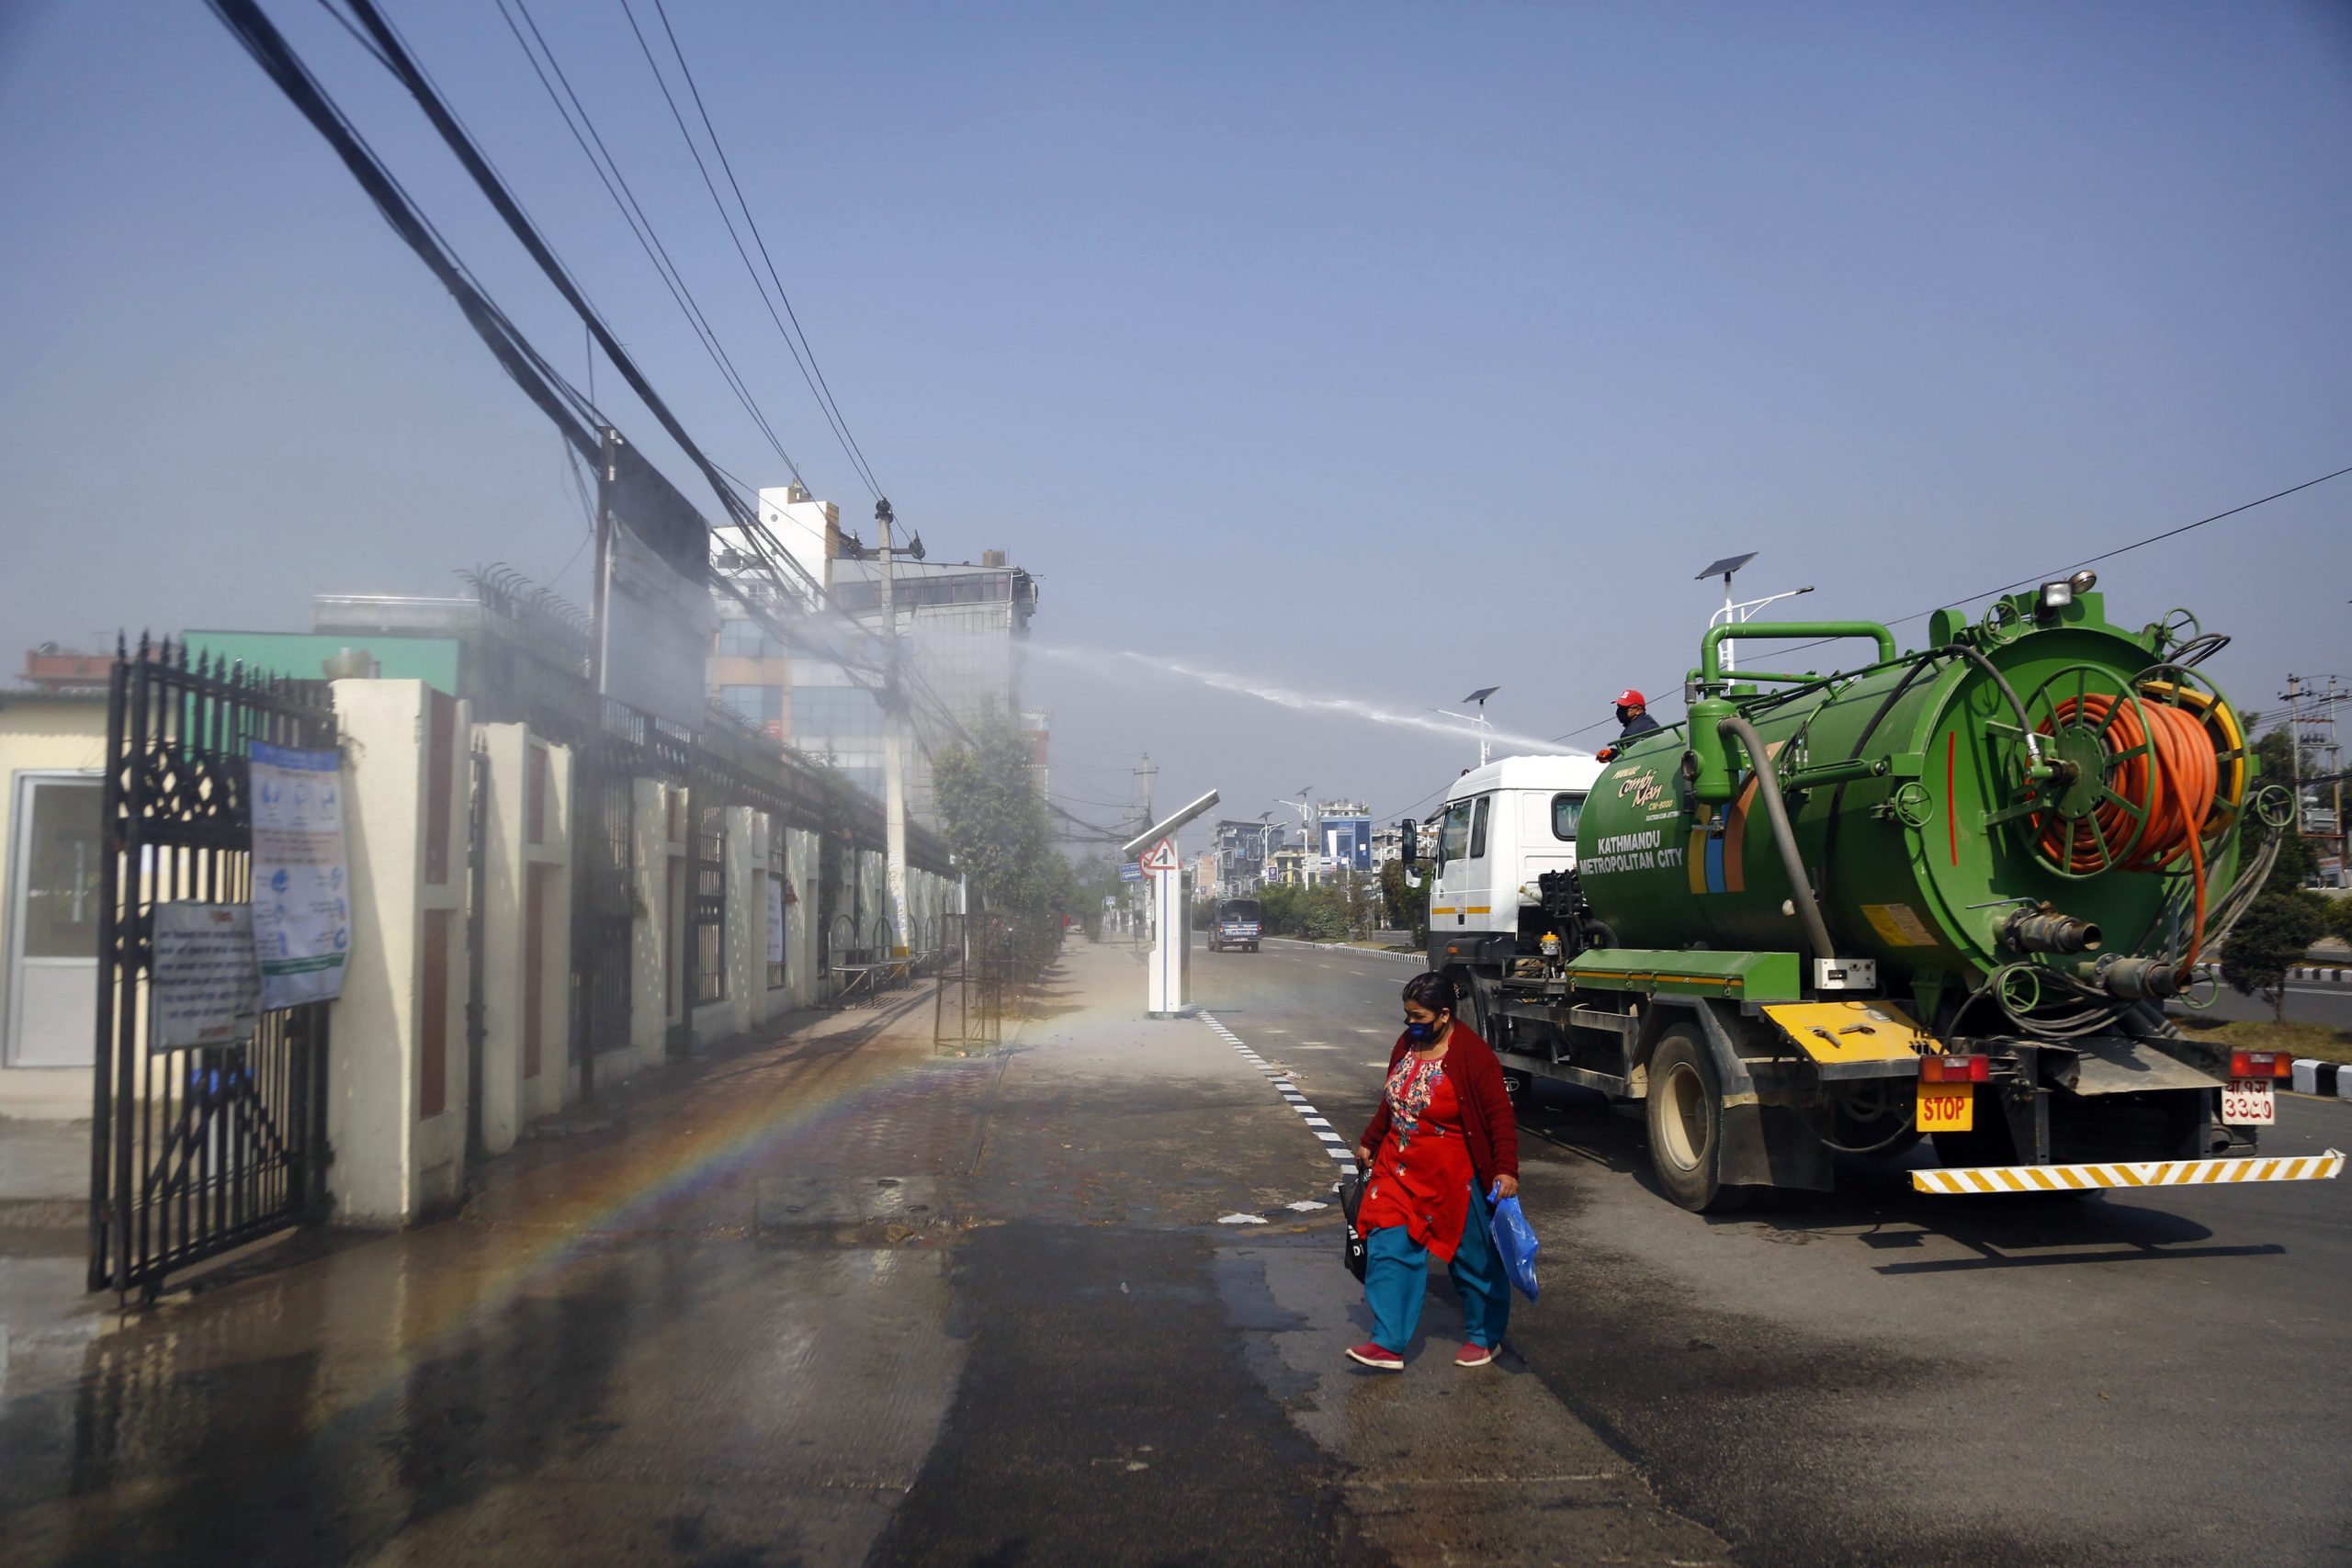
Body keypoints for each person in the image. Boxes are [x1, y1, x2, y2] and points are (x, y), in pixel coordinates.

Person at [1348, 970, 1520, 1371]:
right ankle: (1387, 1342)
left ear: (1444, 1015)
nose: (1411, 1023)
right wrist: (1371, 1139)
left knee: (1473, 1260)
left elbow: (1499, 1117)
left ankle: (1485, 1335)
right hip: (1397, 1167)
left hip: (1452, 1176)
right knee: (1388, 1244)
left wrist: (1506, 1169)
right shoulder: (1406, 1044)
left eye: (1419, 1017)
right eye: (1408, 1015)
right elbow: (1392, 1098)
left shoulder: (1473, 1056)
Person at [1594, 688, 1661, 763]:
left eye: (1624, 708)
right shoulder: (1649, 722)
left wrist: (1612, 755)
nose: (1620, 711)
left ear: (1638, 710)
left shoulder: (1631, 732)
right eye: (1619, 707)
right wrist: (1611, 753)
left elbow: (1629, 757)